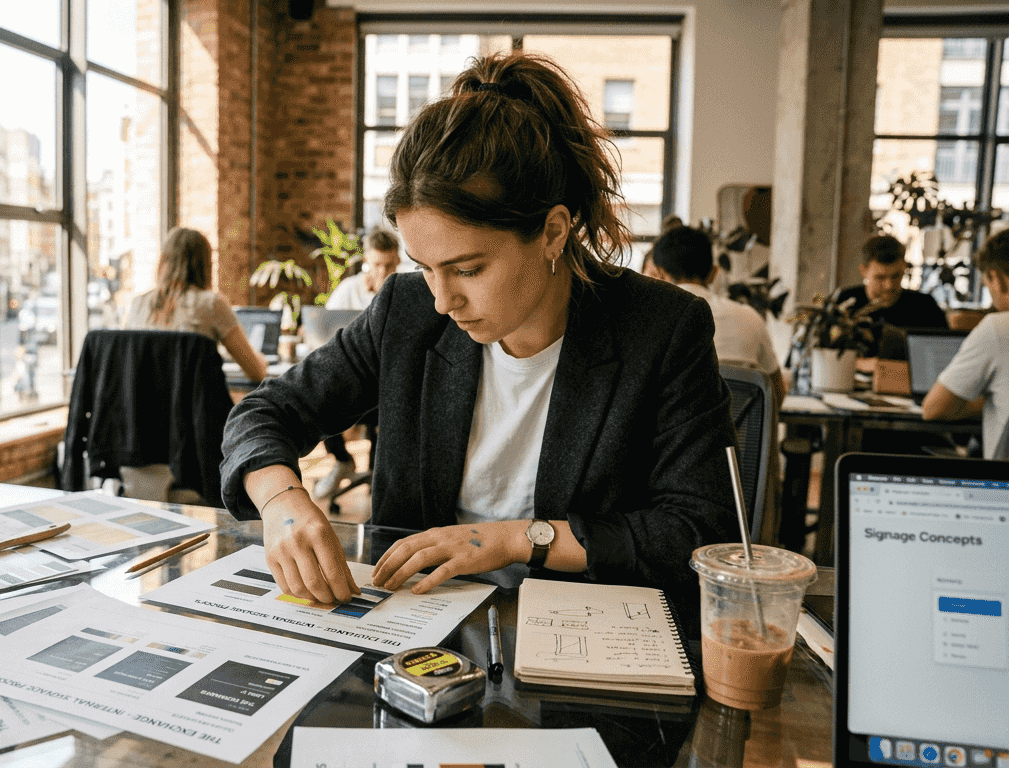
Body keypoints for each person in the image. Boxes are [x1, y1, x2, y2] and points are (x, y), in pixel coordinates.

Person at [220, 52, 736, 628]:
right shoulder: (407, 311)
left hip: (580, 641)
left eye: (467, 269)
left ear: (552, 232)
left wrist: (517, 540)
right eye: (426, 267)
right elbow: (264, 413)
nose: (443, 300)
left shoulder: (662, 329)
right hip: (417, 633)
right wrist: (281, 502)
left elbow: (699, 532)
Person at [313, 229, 402, 499]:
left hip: (392, 385)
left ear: (398, 262)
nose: (383, 272)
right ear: (366, 261)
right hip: (352, 382)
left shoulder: (405, 292)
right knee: (319, 399)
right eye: (377, 265)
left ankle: (380, 480)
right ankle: (342, 459)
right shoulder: (349, 290)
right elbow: (322, 335)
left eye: (389, 265)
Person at [644, 225, 784, 393]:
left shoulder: (650, 322)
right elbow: (777, 394)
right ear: (713, 273)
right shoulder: (751, 318)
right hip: (737, 419)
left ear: (659, 274)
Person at [123, 227, 269, 384]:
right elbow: (256, 373)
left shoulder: (138, 304)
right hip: (194, 407)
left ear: (163, 261)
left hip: (143, 407)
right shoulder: (211, 304)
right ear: (205, 264)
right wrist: (261, 360)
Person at [923, 229, 1009, 459]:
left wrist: (987, 402)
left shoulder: (998, 328)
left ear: (995, 277)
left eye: (987, 283)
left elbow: (934, 408)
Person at [835, 235, 947, 347]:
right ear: (863, 271)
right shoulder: (844, 303)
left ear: (904, 268)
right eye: (880, 278)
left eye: (896, 276)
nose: (889, 286)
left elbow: (944, 351)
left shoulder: (925, 306)